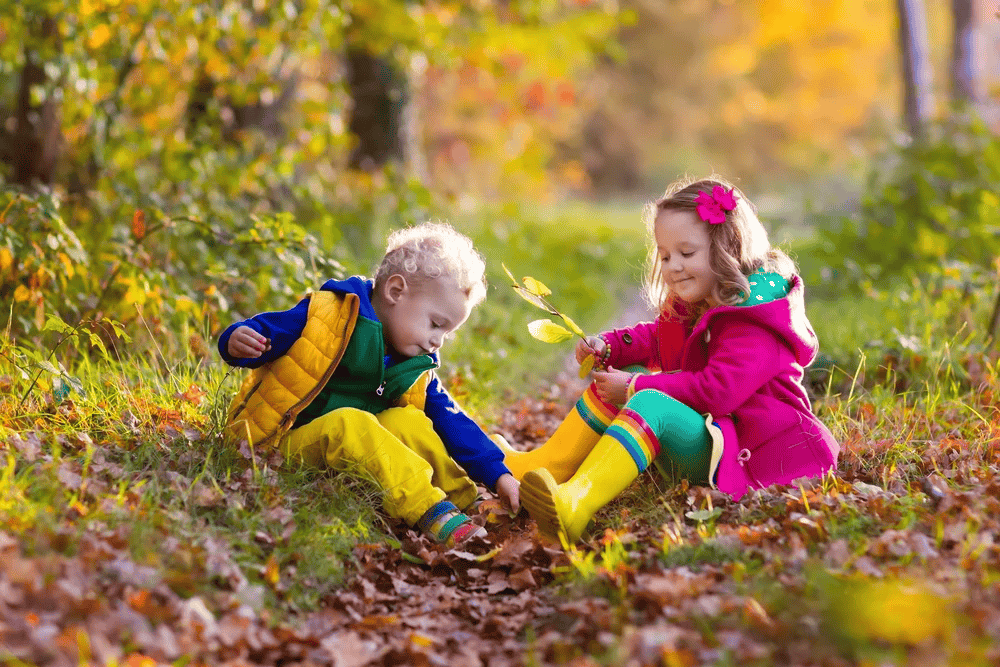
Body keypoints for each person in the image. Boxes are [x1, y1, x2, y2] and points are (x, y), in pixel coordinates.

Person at [509, 176, 839, 544]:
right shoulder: (703, 298)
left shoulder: (755, 320)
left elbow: (717, 392)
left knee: (647, 397)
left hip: (749, 452)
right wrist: (611, 346)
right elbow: (661, 336)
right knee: (621, 380)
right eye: (665, 256)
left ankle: (576, 503)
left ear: (726, 248)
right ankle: (545, 466)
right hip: (716, 435)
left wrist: (634, 387)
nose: (673, 266)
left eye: (686, 253)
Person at [219, 222, 519, 547]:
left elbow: (452, 420)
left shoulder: (413, 363)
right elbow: (266, 332)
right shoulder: (326, 317)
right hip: (281, 444)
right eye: (436, 324)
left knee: (407, 420)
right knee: (351, 422)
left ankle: (464, 501)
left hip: (348, 456)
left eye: (446, 333)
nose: (437, 342)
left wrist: (497, 474)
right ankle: (430, 510)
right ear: (395, 291)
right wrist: (236, 340)